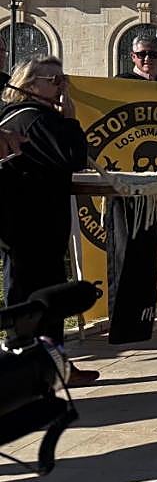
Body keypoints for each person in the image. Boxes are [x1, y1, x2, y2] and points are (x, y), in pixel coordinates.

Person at [0, 57, 97, 386]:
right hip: (33, 226)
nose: (61, 87)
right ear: (29, 85)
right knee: (39, 301)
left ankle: (52, 367)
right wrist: (70, 121)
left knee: (33, 298)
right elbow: (75, 158)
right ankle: (38, 371)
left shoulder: (19, 117)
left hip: (24, 225)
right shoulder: (36, 119)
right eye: (54, 80)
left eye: (63, 80)